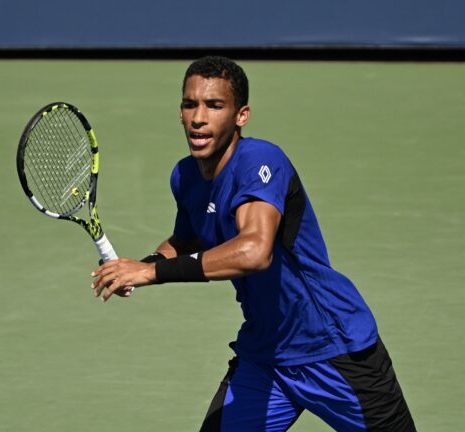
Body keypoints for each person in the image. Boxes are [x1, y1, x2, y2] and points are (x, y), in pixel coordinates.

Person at [91, 56, 416, 432]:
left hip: (333, 349)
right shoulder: (185, 176)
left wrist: (151, 271)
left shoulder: (262, 159)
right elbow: (188, 238)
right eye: (189, 104)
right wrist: (138, 266)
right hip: (265, 356)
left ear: (241, 115)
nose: (198, 117)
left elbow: (254, 252)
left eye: (214, 106)